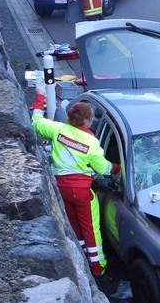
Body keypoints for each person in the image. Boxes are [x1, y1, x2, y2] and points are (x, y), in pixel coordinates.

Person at [30, 92, 119, 277]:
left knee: (74, 226)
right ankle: (98, 267)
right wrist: (117, 168)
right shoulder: (92, 143)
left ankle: (81, 259)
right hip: (82, 192)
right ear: (88, 120)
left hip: (61, 188)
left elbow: (36, 121)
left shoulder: (58, 129)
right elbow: (102, 168)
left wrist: (40, 97)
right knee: (91, 229)